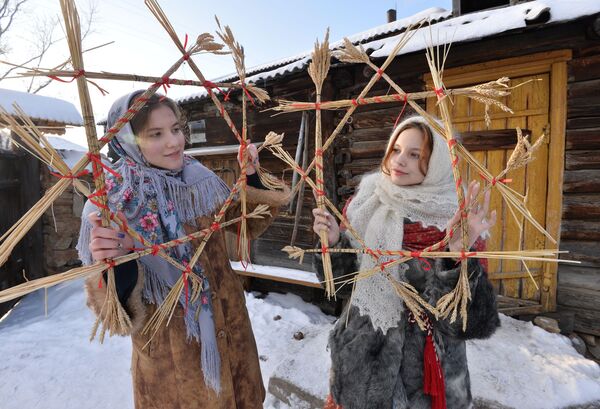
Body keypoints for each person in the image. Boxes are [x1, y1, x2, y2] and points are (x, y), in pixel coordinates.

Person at [77, 90, 290, 409]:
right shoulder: (112, 206)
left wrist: (250, 178)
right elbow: (115, 314)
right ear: (128, 141)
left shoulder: (199, 180)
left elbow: (246, 224)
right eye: (156, 134)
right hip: (173, 364)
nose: (174, 142)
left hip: (232, 339)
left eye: (176, 129)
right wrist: (118, 261)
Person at [312, 115, 500, 409]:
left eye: (415, 155)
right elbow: (338, 287)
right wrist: (335, 243)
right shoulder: (365, 203)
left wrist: (454, 257)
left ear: (437, 163)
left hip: (429, 374)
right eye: (396, 150)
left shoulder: (459, 219)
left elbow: (470, 322)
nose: (400, 161)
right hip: (364, 364)